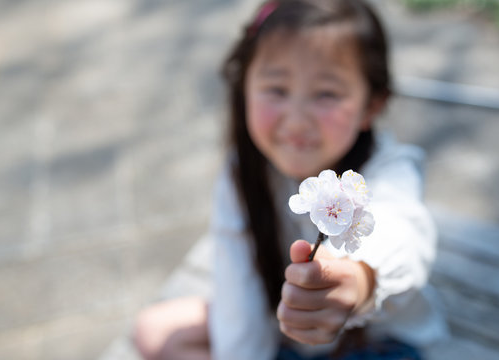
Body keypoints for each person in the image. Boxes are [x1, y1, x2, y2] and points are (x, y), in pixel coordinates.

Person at [133, 0, 448, 359]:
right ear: (244, 87)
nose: (296, 120)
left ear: (371, 106)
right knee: (153, 330)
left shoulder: (391, 169)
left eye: (326, 94)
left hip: (376, 343)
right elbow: (239, 291)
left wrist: (359, 280)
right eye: (277, 89)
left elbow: (403, 232)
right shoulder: (243, 171)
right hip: (284, 331)